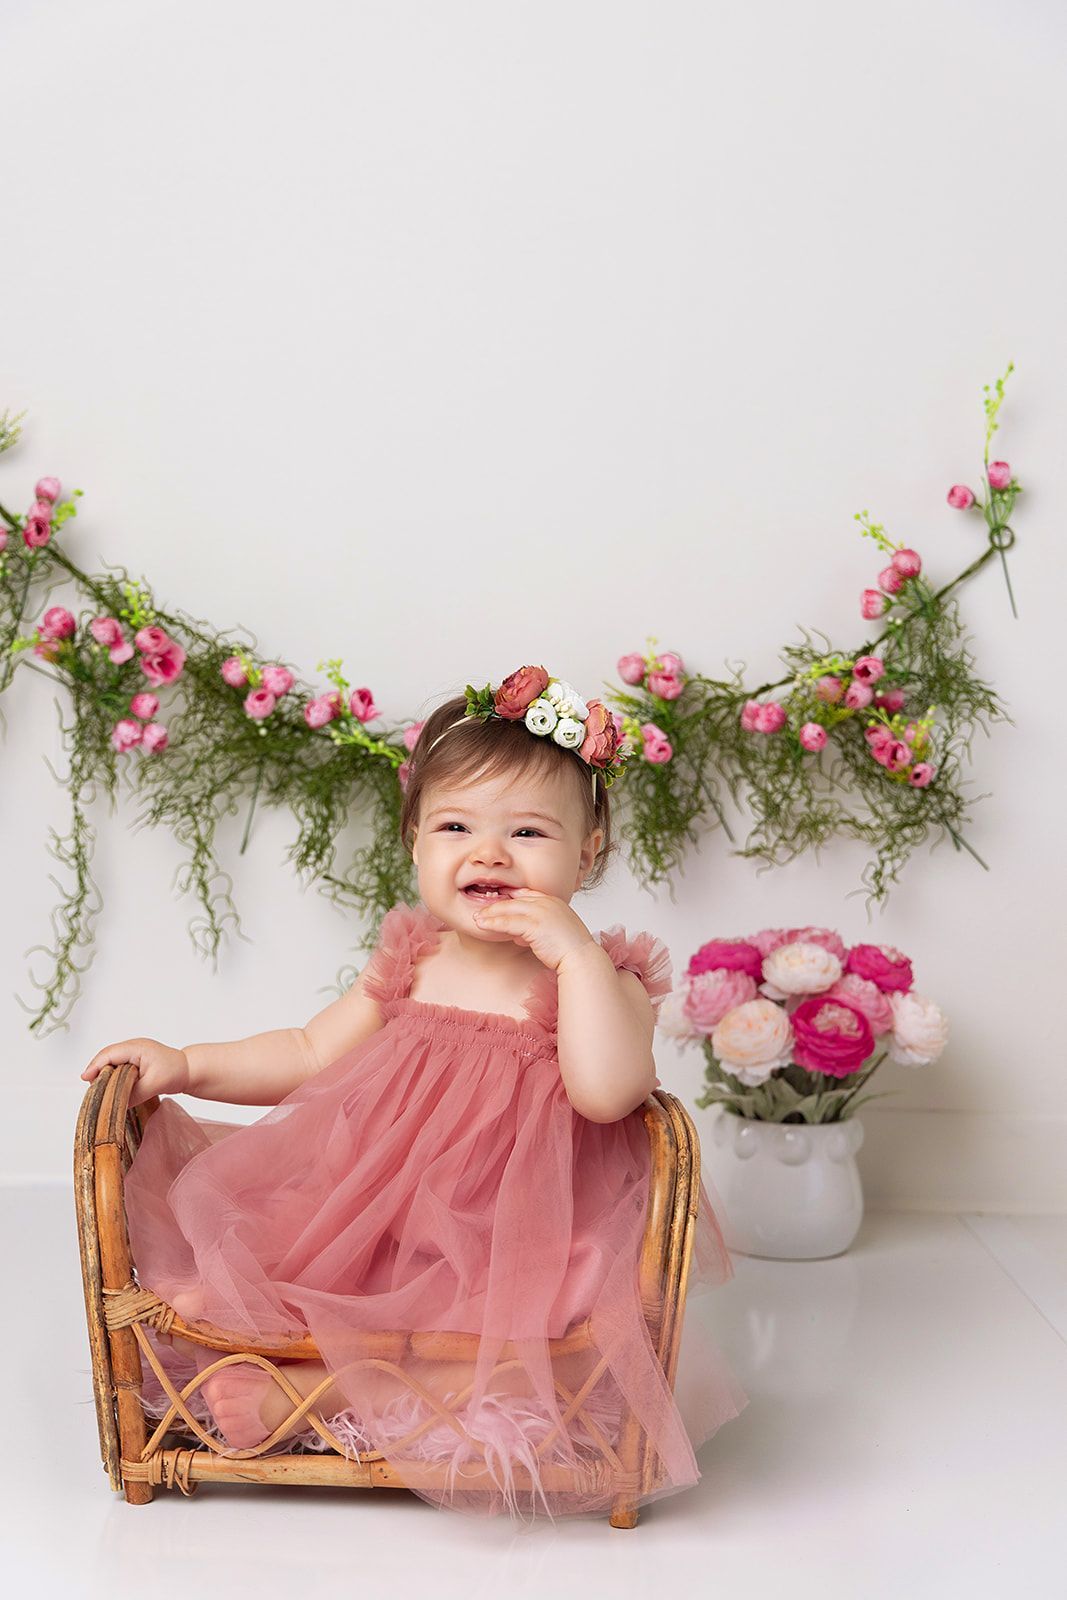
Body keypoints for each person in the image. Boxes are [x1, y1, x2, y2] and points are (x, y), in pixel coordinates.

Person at [81, 664, 749, 1524]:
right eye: (456, 825)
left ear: (588, 856)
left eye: (530, 833)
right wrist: (189, 1062)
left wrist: (575, 956)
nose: (490, 852)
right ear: (414, 844)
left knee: (551, 1353)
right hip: (377, 1212)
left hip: (517, 1240)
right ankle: (266, 1334)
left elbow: (607, 1093)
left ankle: (311, 1395)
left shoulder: (598, 978)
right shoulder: (414, 958)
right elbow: (306, 1049)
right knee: (291, 1261)